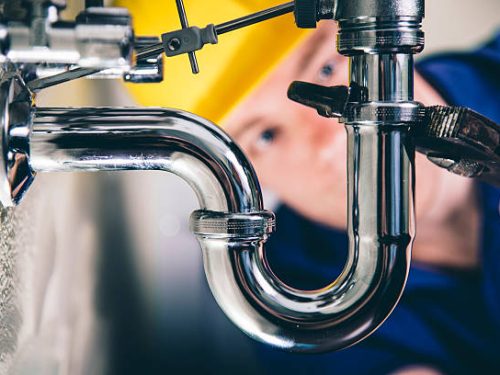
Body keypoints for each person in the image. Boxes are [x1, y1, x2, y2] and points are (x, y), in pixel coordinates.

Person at [118, 1, 500, 373]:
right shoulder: (279, 291)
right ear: (250, 175)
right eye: (267, 136)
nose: (327, 139)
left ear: (392, 33)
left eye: (325, 68)